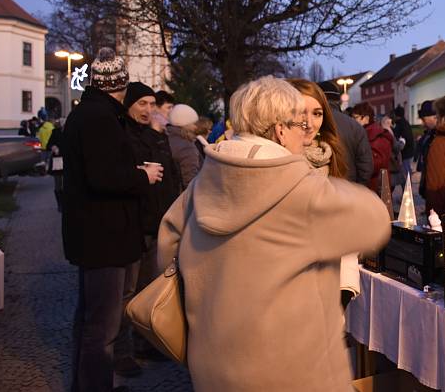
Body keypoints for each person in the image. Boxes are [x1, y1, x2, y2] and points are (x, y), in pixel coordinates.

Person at [157, 76, 390, 392]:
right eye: (299, 124)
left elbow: (167, 247)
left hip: (212, 361)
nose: (306, 131)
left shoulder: (203, 181)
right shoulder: (299, 188)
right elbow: (374, 220)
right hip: (290, 370)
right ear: (280, 130)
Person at [61, 48, 162, 392]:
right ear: (118, 86)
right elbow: (104, 177)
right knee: (101, 328)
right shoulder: (100, 118)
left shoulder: (89, 114)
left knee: (91, 320)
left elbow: (99, 170)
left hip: (95, 234)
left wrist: (132, 171)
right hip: (104, 236)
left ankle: (84, 384)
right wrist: (142, 177)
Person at [118, 82, 182, 370]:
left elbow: (166, 173)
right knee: (127, 294)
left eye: (151, 104)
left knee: (149, 289)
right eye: (142, 104)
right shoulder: (123, 135)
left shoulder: (154, 134)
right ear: (128, 104)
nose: (148, 110)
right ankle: (122, 353)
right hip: (135, 226)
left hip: (156, 223)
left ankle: (144, 343)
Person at [289, 79, 360, 308]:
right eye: (300, 113)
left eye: (317, 113)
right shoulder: (275, 161)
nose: (309, 123)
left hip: (332, 280)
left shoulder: (330, 154)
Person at [324, 89, 372, 185]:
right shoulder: (355, 126)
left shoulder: (311, 124)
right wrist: (359, 188)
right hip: (349, 186)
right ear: (338, 101)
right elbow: (366, 165)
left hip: (320, 189)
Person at [352, 102, 393, 191]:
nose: (352, 121)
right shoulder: (365, 134)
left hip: (376, 187)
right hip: (369, 187)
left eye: (355, 118)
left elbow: (375, 164)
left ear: (366, 119)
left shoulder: (377, 136)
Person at [167, 103, 203, 188]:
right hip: (184, 195)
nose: (196, 127)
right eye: (193, 123)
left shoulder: (165, 137)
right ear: (185, 123)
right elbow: (190, 179)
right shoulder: (186, 147)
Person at [414, 100, 437, 198]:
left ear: (434, 117)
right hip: (428, 184)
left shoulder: (438, 137)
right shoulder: (428, 134)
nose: (423, 123)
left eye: (424, 120)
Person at [392, 106, 415, 180]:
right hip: (409, 151)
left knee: (406, 172)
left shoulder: (400, 125)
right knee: (407, 171)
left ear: (396, 115)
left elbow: (400, 137)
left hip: (405, 152)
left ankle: (408, 189)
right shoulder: (405, 123)